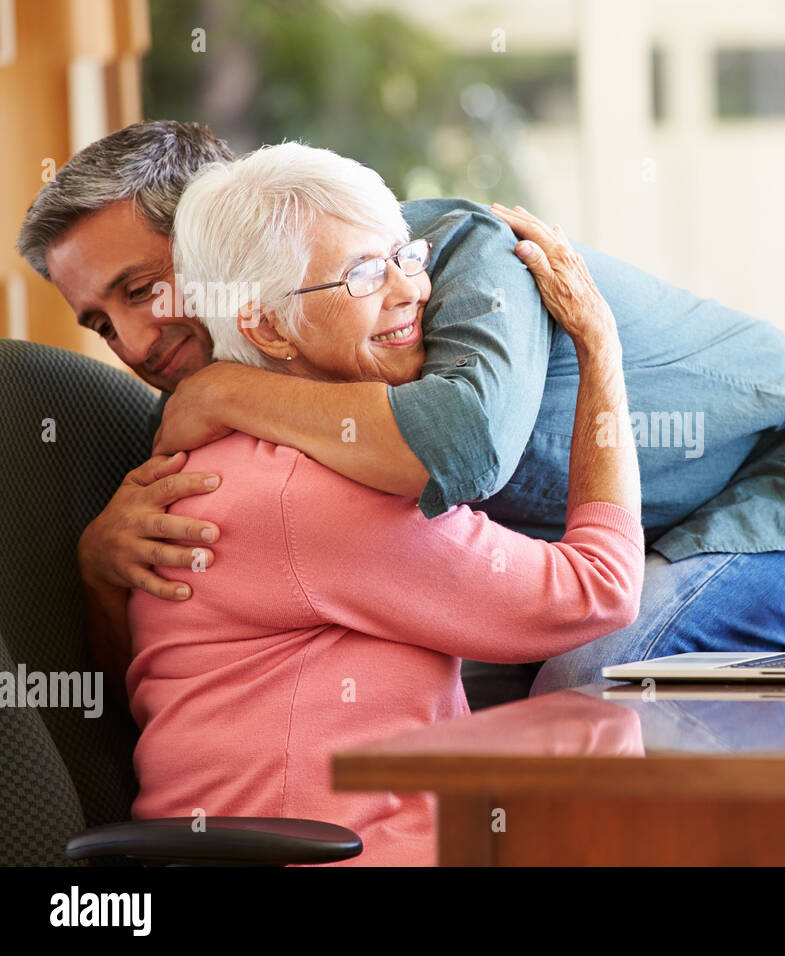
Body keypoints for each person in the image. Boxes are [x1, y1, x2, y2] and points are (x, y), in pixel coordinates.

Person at [17, 121, 785, 708]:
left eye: (144, 289)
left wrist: (222, 390)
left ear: (228, 227)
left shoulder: (448, 256)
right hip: (599, 557)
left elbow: (462, 447)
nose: (130, 343)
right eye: (99, 320)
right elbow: (159, 678)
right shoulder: (246, 415)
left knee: (588, 679)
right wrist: (101, 566)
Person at [125, 143, 643, 865]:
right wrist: (601, 348)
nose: (412, 291)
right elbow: (599, 591)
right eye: (363, 274)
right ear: (267, 328)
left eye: (406, 256)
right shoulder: (308, 494)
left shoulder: (249, 460)